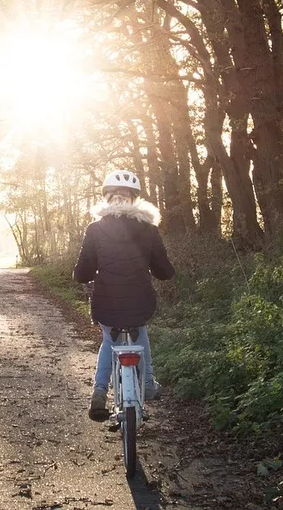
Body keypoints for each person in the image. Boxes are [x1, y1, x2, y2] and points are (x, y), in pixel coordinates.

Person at [73, 169, 176, 422]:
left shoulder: (95, 229)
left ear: (107, 198)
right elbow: (164, 271)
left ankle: (99, 392)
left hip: (105, 301)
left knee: (110, 338)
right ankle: (148, 383)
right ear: (135, 199)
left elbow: (83, 271)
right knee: (140, 331)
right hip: (141, 300)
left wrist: (83, 276)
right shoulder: (149, 229)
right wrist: (161, 269)